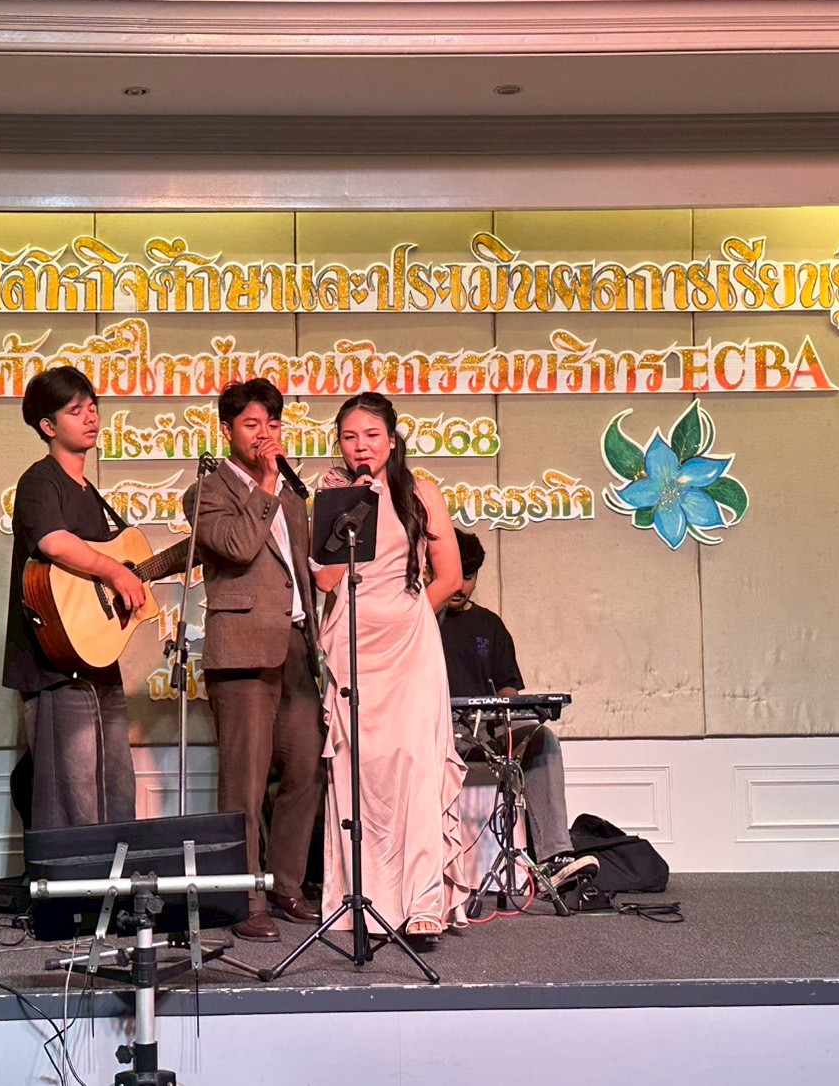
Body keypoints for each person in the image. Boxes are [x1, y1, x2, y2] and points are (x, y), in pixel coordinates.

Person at [315, 392, 472, 943]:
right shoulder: (333, 494)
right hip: (353, 641)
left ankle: (424, 900)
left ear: (392, 438)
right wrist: (351, 505)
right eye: (350, 437)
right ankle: (362, 898)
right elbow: (325, 580)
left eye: (371, 435)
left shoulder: (421, 492)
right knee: (359, 769)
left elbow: (449, 577)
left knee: (414, 764)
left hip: (409, 645)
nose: (361, 446)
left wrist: (408, 615)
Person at [184, 378, 324, 943]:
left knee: (308, 767)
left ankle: (286, 883)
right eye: (251, 424)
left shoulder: (291, 494)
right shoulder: (206, 491)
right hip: (241, 648)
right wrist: (266, 482)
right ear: (227, 431)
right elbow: (240, 547)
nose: (265, 434)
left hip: (296, 645)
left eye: (272, 423)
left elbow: (300, 570)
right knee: (244, 781)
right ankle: (244, 897)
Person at [3, 365, 143, 829]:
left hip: (98, 660)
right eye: (75, 410)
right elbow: (54, 542)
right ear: (48, 426)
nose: (91, 417)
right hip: (53, 666)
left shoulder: (90, 492)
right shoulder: (40, 481)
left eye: (92, 407)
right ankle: (79, 876)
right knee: (74, 794)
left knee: (118, 787)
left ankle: (119, 872)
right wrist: (115, 572)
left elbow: (101, 572)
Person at [437, 530, 596, 893]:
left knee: (542, 739)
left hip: (484, 730)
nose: (460, 586)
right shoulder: (421, 620)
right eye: (455, 575)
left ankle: (555, 858)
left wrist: (515, 714)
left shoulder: (489, 625)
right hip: (433, 730)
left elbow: (508, 688)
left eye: (469, 577)